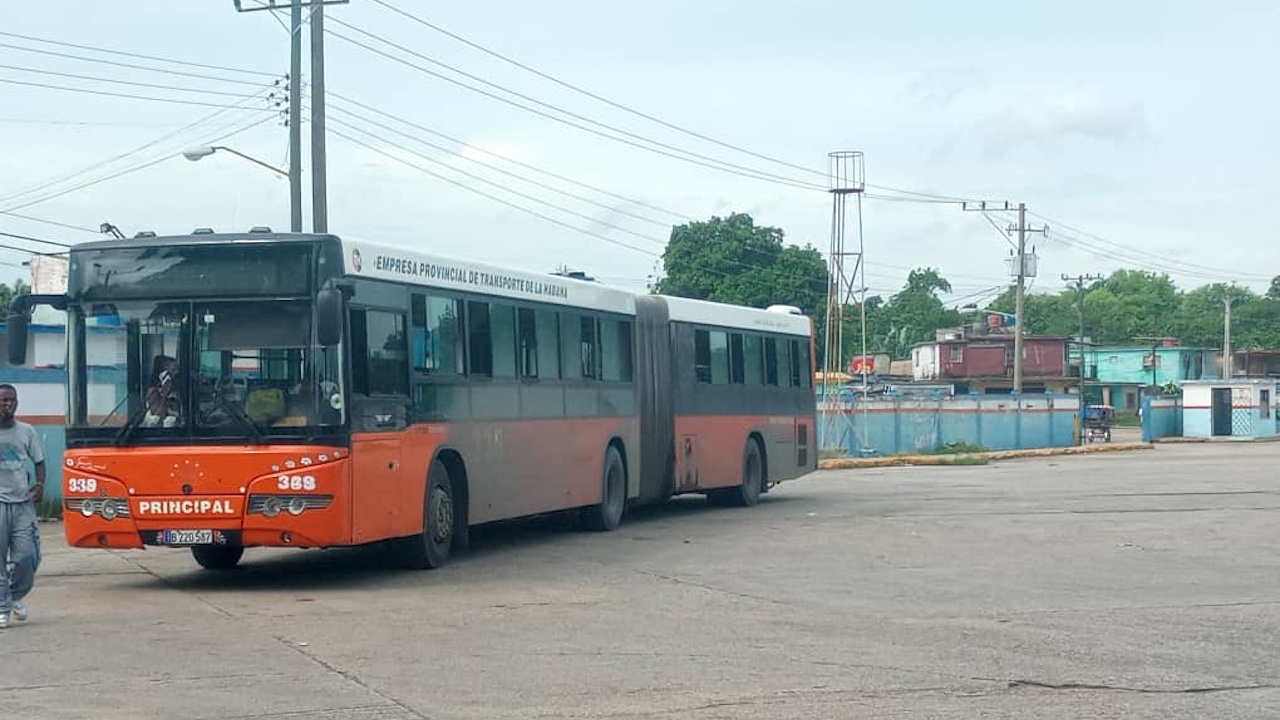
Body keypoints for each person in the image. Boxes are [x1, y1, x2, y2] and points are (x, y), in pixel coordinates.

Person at [0, 384, 46, 629]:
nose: (8, 404)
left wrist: (39, 484)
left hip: (21, 503)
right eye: (4, 400)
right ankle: (2, 608)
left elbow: (39, 461)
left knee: (27, 556)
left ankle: (13, 596)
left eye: (12, 400)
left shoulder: (26, 431)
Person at [143, 355, 181, 428]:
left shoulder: (176, 387)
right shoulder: (153, 391)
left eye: (177, 369)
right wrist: (165, 393)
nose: (177, 373)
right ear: (164, 371)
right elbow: (158, 413)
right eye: (174, 370)